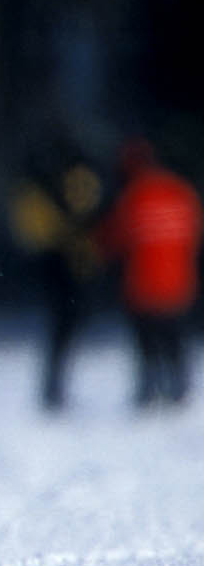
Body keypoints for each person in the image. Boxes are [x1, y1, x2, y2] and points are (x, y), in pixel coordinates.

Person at [93, 138, 202, 408]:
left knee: (147, 344)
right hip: (178, 282)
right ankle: (179, 389)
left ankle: (149, 389)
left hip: (142, 286)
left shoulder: (132, 197)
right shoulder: (181, 192)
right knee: (174, 339)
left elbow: (112, 240)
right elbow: (194, 235)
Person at [6, 136, 103, 410]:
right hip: (66, 262)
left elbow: (32, 234)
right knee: (66, 326)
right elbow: (86, 216)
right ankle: (54, 387)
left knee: (61, 328)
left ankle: (53, 386)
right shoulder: (75, 179)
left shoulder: (34, 188)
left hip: (54, 262)